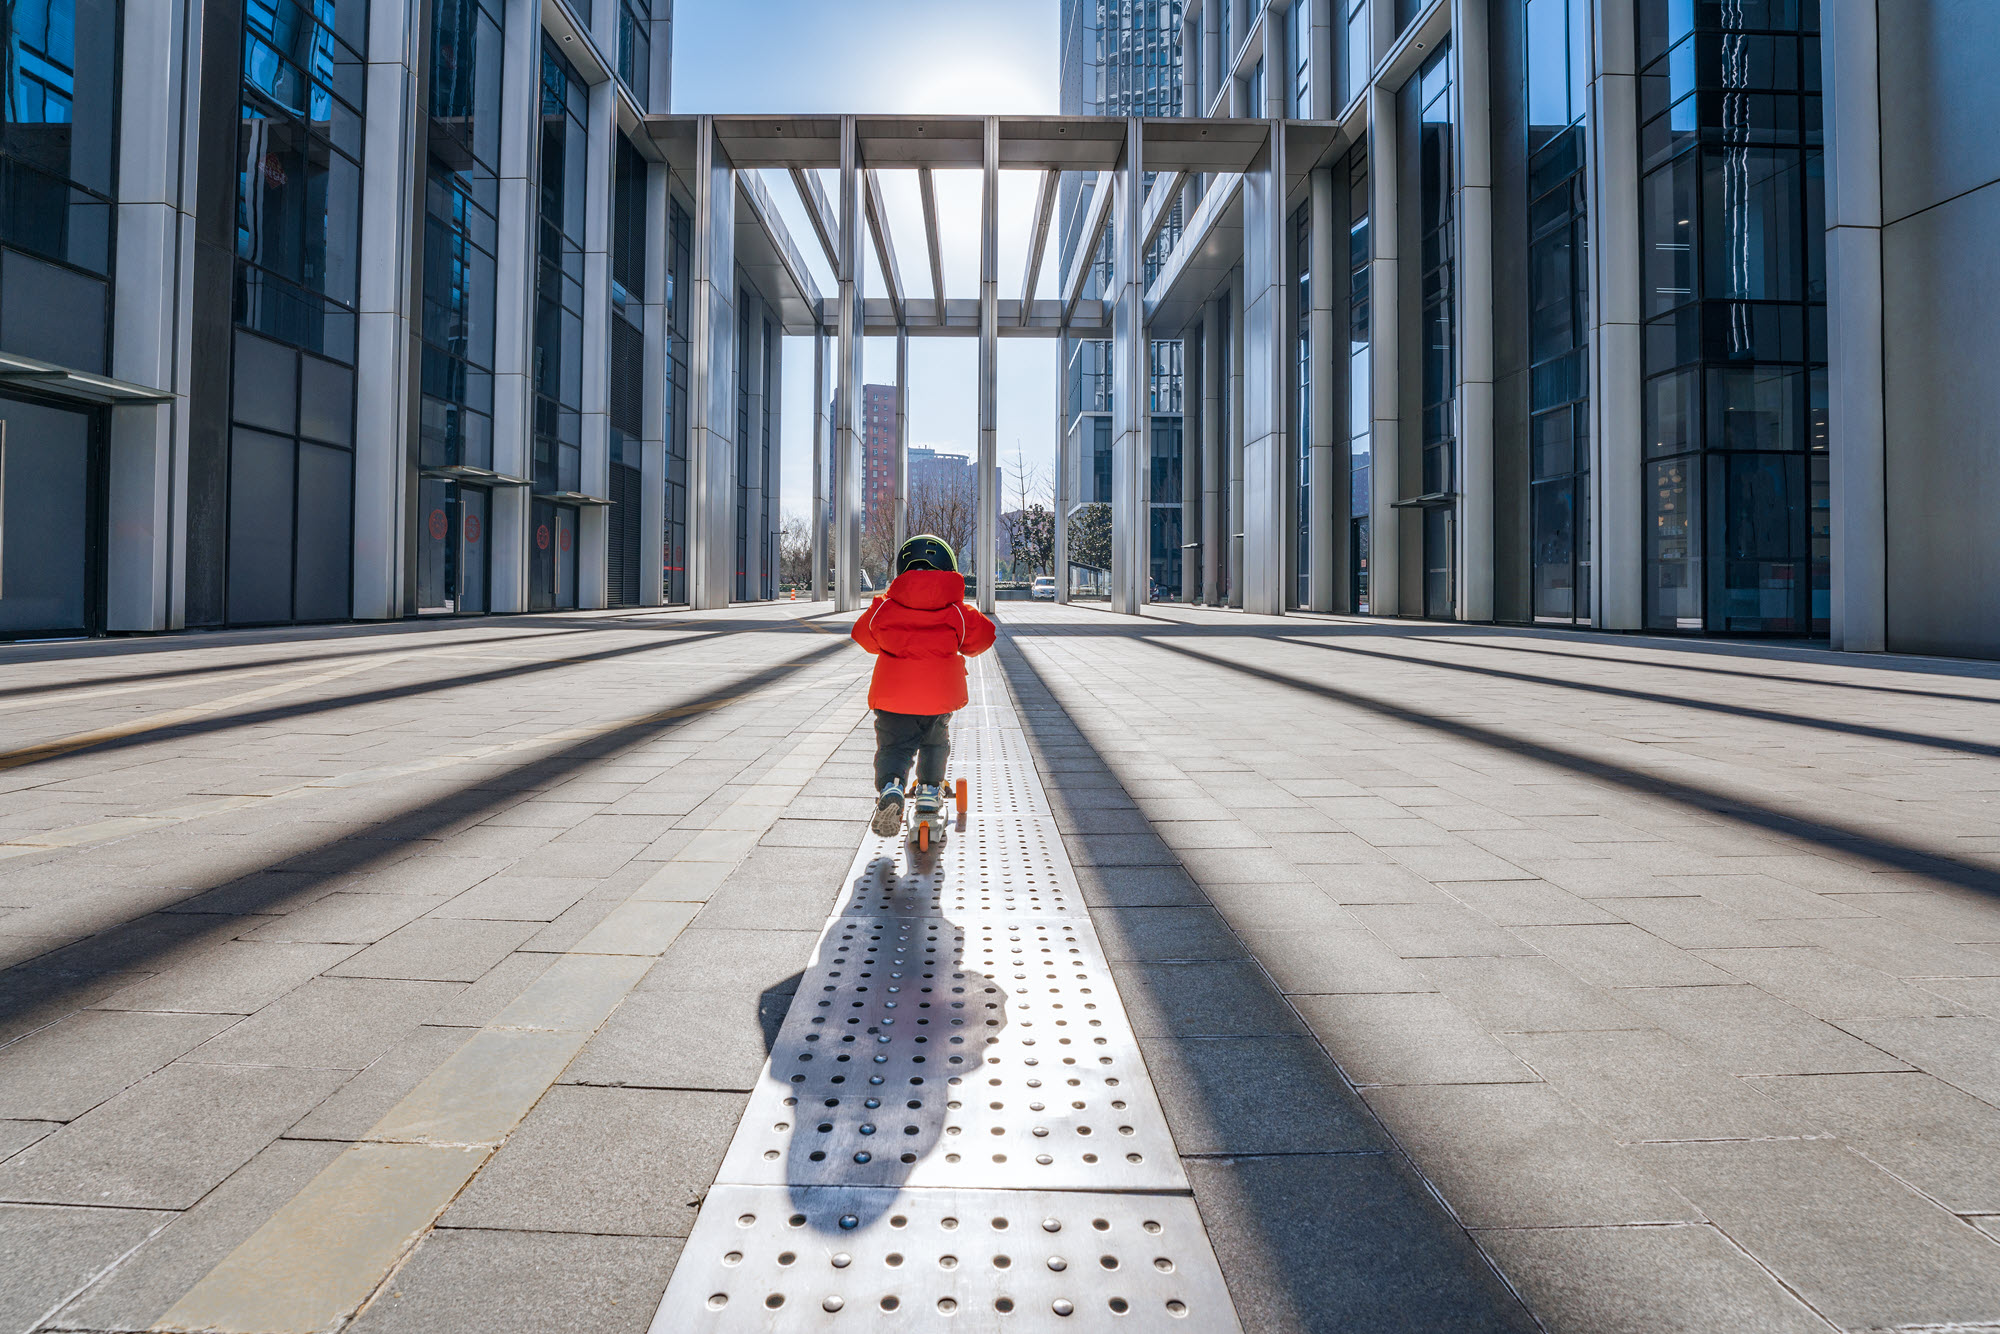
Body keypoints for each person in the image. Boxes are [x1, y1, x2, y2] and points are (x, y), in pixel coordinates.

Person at [850, 534, 996, 837]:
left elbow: (864, 637)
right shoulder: (957, 612)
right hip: (938, 697)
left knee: (893, 747)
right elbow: (982, 638)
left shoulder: (883, 607)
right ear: (949, 568)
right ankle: (929, 792)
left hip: (892, 698)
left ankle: (892, 786)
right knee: (934, 743)